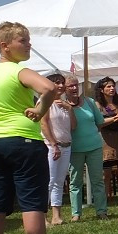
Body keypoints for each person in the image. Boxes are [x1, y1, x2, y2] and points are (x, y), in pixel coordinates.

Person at [0, 22, 61, 234]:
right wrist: (40, 109)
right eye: (23, 41)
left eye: (28, 40)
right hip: (22, 141)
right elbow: (49, 88)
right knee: (31, 203)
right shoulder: (18, 71)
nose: (29, 44)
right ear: (5, 46)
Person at [61, 74, 109, 221]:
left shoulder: (90, 102)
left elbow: (100, 121)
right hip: (74, 149)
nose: (75, 88)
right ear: (64, 88)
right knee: (75, 182)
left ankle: (101, 211)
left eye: (76, 85)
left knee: (97, 180)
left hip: (94, 146)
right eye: (71, 86)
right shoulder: (61, 105)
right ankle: (76, 213)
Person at [43, 73, 76, 226]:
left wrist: (70, 109)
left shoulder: (64, 104)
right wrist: (53, 144)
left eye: (62, 82)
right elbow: (43, 124)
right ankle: (42, 216)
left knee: (59, 181)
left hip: (66, 146)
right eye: (57, 82)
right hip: (51, 146)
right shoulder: (45, 102)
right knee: (48, 181)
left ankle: (57, 215)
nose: (61, 85)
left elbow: (73, 127)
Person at [95, 76, 118, 202]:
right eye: (108, 86)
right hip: (106, 139)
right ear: (101, 90)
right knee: (106, 174)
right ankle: (103, 205)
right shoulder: (97, 105)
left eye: (113, 86)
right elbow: (98, 123)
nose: (112, 88)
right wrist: (113, 119)